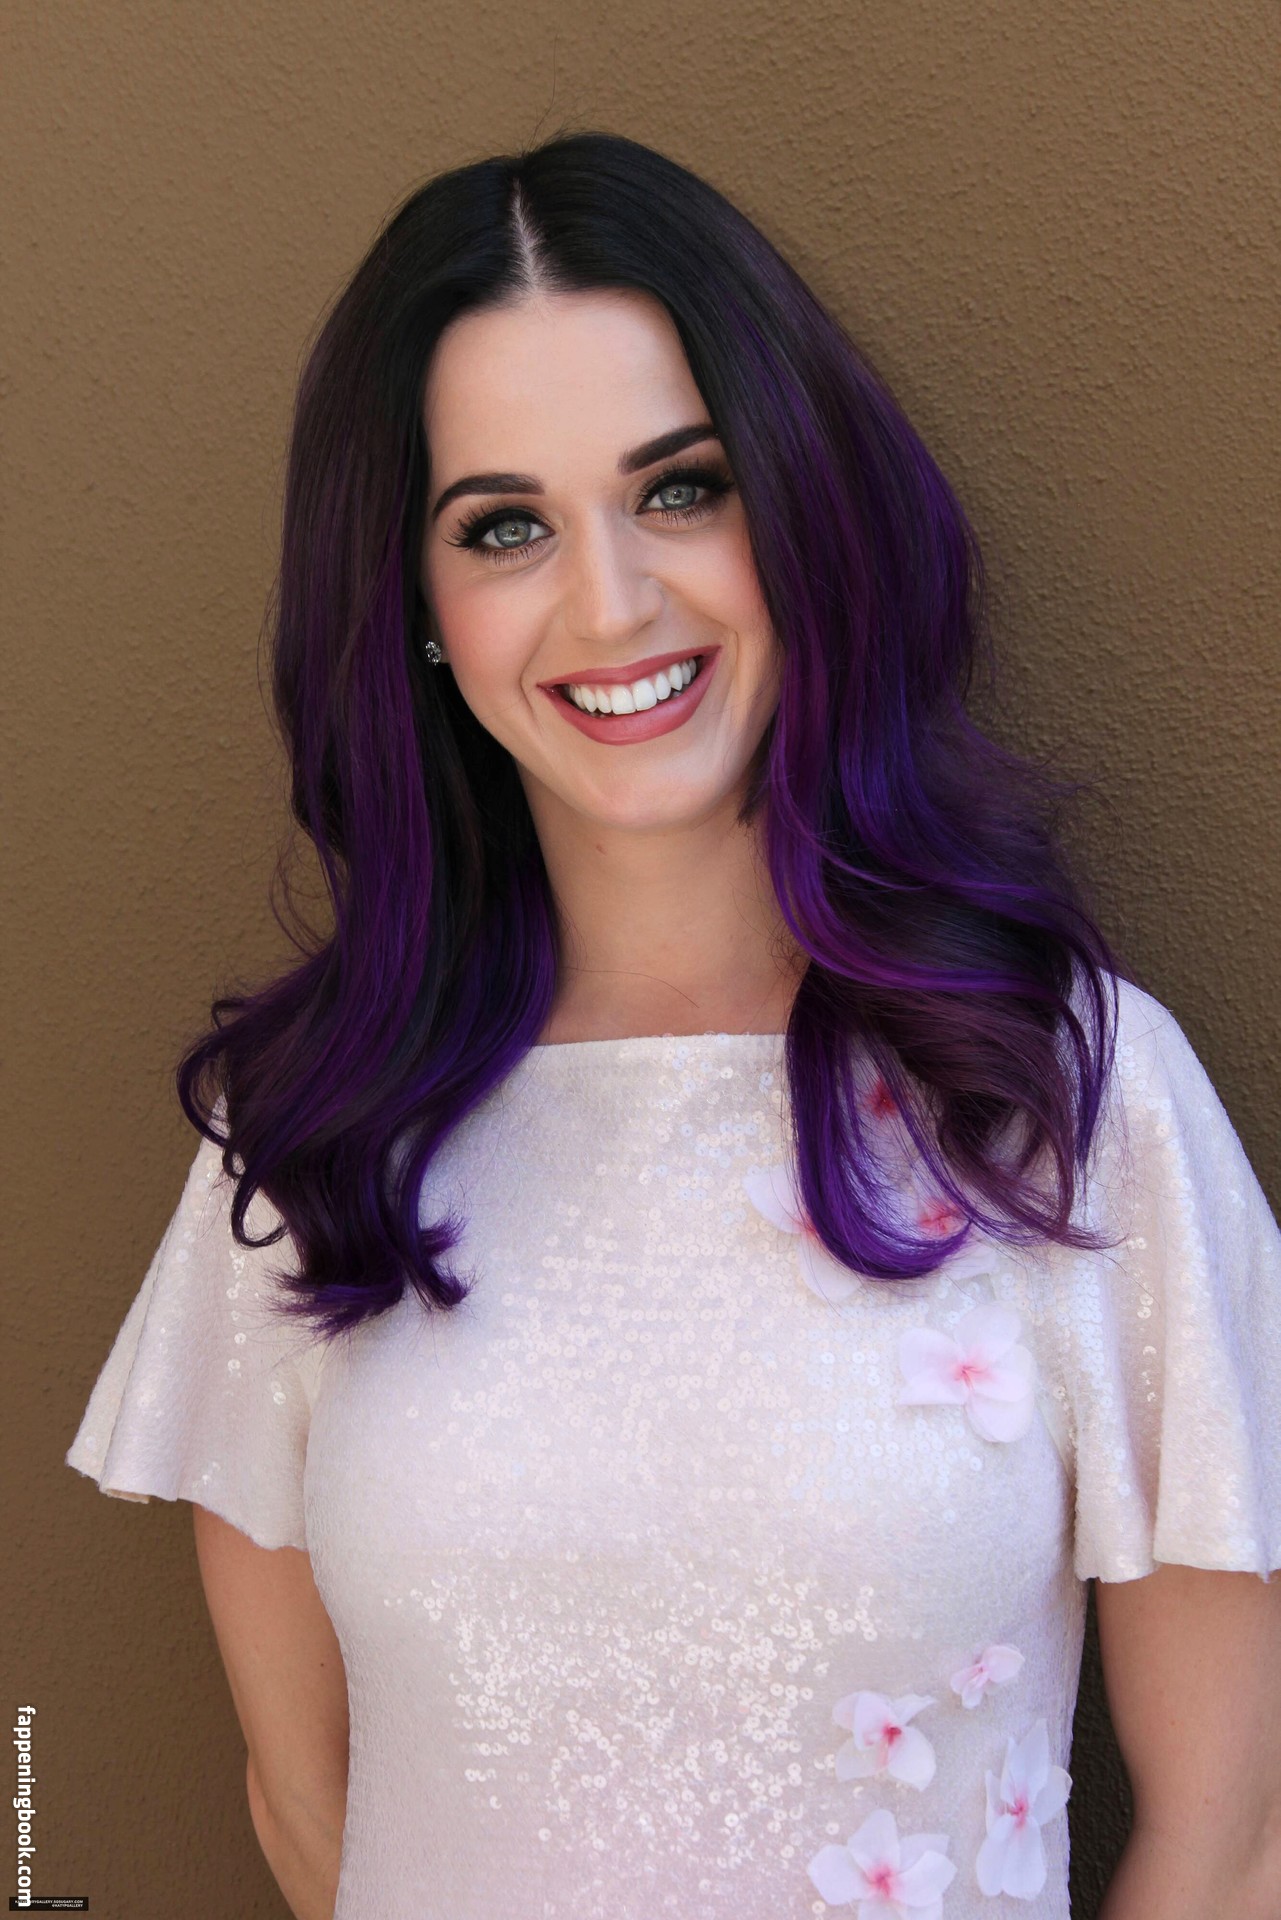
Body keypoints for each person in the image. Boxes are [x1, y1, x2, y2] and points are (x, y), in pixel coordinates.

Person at [66, 130, 1281, 1920]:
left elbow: (1234, 1841)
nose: (611, 603)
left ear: (800, 512)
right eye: (504, 527)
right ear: (415, 606)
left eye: (682, 490)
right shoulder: (314, 1131)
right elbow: (308, 1807)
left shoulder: (1061, 1092)